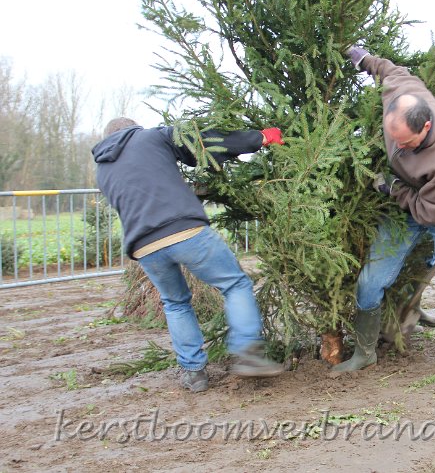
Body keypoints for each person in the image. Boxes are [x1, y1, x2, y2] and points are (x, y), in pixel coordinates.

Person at [330, 47, 435, 382]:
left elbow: (430, 213)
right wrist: (360, 57)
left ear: (425, 127)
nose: (399, 148)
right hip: (412, 199)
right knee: (370, 280)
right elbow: (386, 68)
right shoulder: (401, 91)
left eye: (407, 144)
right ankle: (364, 354)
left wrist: (393, 189)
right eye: (394, 139)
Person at [92, 117, 288, 391]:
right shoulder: (152, 136)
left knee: (175, 303)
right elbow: (203, 143)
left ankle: (194, 373)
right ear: (134, 128)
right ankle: (248, 353)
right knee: (234, 284)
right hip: (185, 231)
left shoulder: (102, 170)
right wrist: (259, 138)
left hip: (144, 246)